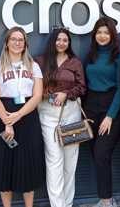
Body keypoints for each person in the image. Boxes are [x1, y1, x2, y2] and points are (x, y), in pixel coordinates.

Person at [0, 26, 45, 207]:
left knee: (28, 163)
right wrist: (7, 121)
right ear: (6, 43)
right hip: (3, 115)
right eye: (13, 39)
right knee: (4, 163)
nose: (17, 43)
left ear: (25, 44)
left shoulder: (33, 66)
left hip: (27, 116)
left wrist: (18, 115)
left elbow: (37, 96)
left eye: (21, 40)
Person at [35, 27, 86, 207]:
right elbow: (34, 88)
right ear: (53, 41)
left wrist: (66, 93)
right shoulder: (40, 61)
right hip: (48, 114)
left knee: (70, 162)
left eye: (65, 40)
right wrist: (50, 95)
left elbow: (82, 87)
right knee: (54, 160)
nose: (62, 43)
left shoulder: (75, 62)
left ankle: (68, 203)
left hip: (71, 112)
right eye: (59, 39)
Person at [83, 17, 120, 207]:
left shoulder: (119, 56)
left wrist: (110, 116)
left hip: (111, 108)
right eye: (99, 32)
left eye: (106, 32)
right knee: (96, 154)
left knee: (101, 153)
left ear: (112, 35)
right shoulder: (90, 55)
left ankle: (107, 201)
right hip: (91, 108)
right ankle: (105, 198)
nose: (102, 36)